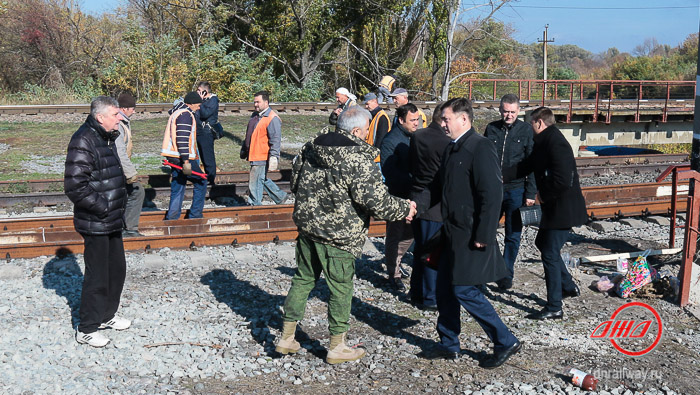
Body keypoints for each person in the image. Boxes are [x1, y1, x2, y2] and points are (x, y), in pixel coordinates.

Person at [276, 106, 417, 364]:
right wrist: (404, 207)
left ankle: (286, 337)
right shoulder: (357, 158)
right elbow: (376, 202)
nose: (367, 137)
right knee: (340, 288)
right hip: (340, 237)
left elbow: (294, 183)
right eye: (366, 132)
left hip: (308, 230)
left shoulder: (310, 147)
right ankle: (337, 346)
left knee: (303, 279)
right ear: (355, 130)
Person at [435, 97, 521, 369]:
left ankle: (505, 340)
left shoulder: (480, 147)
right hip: (451, 230)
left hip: (471, 233)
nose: (443, 124)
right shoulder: (452, 148)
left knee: (464, 290)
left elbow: (492, 195)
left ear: (463, 119)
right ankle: (449, 344)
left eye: (446, 119)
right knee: (444, 289)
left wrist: (483, 234)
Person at [504, 107, 587, 320]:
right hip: (555, 207)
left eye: (532, 123)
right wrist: (498, 175)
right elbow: (527, 166)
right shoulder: (544, 142)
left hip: (563, 208)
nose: (530, 126)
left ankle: (554, 306)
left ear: (540, 123)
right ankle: (568, 286)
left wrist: (543, 195)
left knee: (549, 252)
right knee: (543, 244)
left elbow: (563, 180)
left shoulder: (556, 143)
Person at [64, 96, 130, 347]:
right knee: (98, 276)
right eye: (116, 114)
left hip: (112, 219)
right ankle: (87, 328)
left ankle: (106, 316)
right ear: (100, 117)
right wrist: (103, 207)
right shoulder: (84, 140)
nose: (120, 118)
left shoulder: (107, 137)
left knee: (117, 270)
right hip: (97, 220)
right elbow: (74, 186)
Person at [483, 94, 536, 290]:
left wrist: (530, 193)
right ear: (500, 110)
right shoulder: (491, 129)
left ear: (519, 111)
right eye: (506, 111)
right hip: (493, 189)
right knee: (487, 229)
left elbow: (532, 163)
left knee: (513, 234)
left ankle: (506, 273)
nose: (509, 115)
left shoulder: (526, 130)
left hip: (516, 190)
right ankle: (493, 267)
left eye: (513, 112)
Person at [408, 103, 451, 310]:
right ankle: (430, 297)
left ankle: (416, 292)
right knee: (432, 253)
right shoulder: (446, 142)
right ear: (443, 119)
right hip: (435, 204)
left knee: (419, 250)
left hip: (416, 196)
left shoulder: (418, 136)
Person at [380, 103, 421, 291]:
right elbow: (389, 172)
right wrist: (413, 179)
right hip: (398, 195)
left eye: (418, 119)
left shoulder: (415, 137)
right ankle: (393, 274)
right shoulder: (390, 141)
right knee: (395, 235)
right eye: (413, 120)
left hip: (414, 193)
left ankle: (395, 261)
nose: (417, 123)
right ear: (401, 120)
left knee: (410, 233)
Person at [162, 92, 207, 220]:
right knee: (201, 181)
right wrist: (186, 161)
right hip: (182, 158)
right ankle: (195, 215)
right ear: (191, 104)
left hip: (174, 157)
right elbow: (182, 139)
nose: (199, 108)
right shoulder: (185, 115)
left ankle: (172, 217)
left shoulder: (177, 112)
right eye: (198, 105)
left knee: (178, 185)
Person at [240, 90, 287, 206]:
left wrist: (274, 157)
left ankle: (254, 204)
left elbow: (275, 139)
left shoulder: (272, 118)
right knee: (262, 178)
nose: (255, 104)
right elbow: (250, 133)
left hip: (261, 154)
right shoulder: (256, 116)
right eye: (254, 102)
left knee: (255, 180)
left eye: (258, 102)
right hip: (254, 153)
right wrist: (244, 149)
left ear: (266, 102)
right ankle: (280, 197)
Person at [115, 92, 146, 238]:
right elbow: (120, 151)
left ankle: (124, 227)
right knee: (137, 191)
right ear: (124, 108)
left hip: (118, 168)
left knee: (125, 195)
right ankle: (129, 229)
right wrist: (131, 173)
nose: (134, 111)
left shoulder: (122, 122)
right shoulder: (119, 125)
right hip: (117, 168)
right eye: (132, 108)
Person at [195, 82, 219, 185]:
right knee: (202, 156)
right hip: (200, 131)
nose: (197, 93)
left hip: (206, 132)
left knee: (208, 157)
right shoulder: (205, 101)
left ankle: (211, 179)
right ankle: (205, 178)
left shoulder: (213, 100)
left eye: (199, 91)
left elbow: (205, 114)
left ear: (205, 91)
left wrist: (200, 101)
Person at [363, 92, 391, 164]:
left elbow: (381, 138)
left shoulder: (382, 117)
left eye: (367, 104)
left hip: (378, 158)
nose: (366, 107)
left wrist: (374, 154)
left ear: (374, 101)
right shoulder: (375, 115)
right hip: (373, 156)